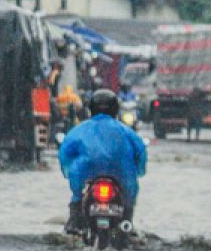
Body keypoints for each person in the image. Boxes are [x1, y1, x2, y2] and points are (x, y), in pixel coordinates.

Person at [57, 89, 147, 233]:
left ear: (91, 109)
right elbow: (141, 152)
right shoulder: (126, 131)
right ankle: (126, 222)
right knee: (128, 206)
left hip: (85, 177)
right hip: (122, 178)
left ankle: (74, 224)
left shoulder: (79, 130)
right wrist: (139, 171)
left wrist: (67, 171)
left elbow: (64, 154)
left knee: (77, 203)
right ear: (115, 109)